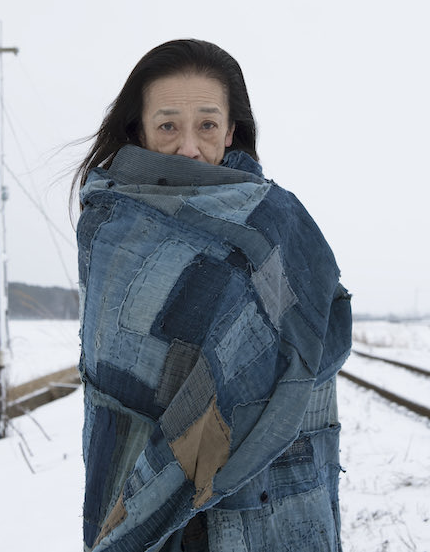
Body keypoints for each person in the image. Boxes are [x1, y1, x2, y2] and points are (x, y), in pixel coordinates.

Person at [74, 39, 352, 552]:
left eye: (206, 125)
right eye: (168, 126)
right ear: (139, 130)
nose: (188, 146)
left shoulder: (274, 223)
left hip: (261, 488)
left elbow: (316, 342)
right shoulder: (110, 223)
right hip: (139, 479)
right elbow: (109, 366)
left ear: (229, 130)